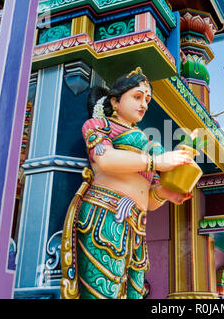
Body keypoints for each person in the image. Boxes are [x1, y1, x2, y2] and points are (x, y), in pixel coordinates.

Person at [60, 67, 193, 299]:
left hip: (136, 226)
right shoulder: (100, 126)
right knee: (102, 292)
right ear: (115, 100)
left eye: (147, 99)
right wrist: (155, 162)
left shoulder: (149, 144)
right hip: (104, 216)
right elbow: (106, 160)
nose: (144, 104)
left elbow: (148, 200)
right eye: (137, 96)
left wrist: (165, 192)